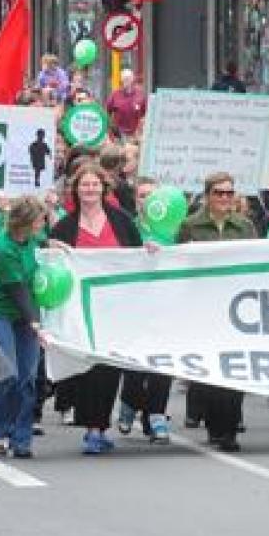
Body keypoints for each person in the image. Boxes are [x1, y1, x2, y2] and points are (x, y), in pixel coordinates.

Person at [50, 163, 143, 454]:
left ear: (104, 189)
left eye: (94, 185)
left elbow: (138, 254)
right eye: (84, 185)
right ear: (76, 190)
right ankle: (90, 427)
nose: (89, 190)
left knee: (108, 367)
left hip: (116, 308)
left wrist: (151, 251)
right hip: (80, 308)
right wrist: (51, 248)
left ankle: (100, 427)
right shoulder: (65, 226)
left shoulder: (121, 220)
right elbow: (50, 263)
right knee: (87, 367)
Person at [178, 172, 256, 452]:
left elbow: (260, 261)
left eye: (229, 193)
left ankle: (230, 428)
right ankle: (214, 426)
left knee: (236, 368)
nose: (225, 198)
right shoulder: (190, 226)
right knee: (211, 369)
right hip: (204, 307)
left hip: (238, 307)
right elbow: (178, 263)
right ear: (208, 195)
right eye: (219, 193)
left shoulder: (245, 226)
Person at [0, 196, 47, 458]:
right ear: (26, 222)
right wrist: (36, 324)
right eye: (40, 219)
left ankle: (21, 437)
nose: (44, 223)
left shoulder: (32, 240)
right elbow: (17, 291)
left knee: (27, 376)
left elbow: (43, 246)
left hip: (26, 311)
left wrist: (57, 245)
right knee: (7, 371)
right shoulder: (2, 247)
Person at [118, 176, 173, 442]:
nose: (147, 201)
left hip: (165, 303)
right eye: (142, 196)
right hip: (134, 303)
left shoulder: (175, 229)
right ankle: (129, 401)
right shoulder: (129, 226)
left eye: (152, 195)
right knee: (135, 360)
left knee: (163, 359)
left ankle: (156, 413)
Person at [106, 69, 146, 139]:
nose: (126, 81)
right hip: (119, 135)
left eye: (128, 78)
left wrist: (141, 130)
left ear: (133, 79)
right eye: (124, 78)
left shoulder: (140, 95)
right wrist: (112, 128)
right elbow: (106, 112)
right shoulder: (115, 95)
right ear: (121, 80)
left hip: (135, 135)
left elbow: (145, 114)